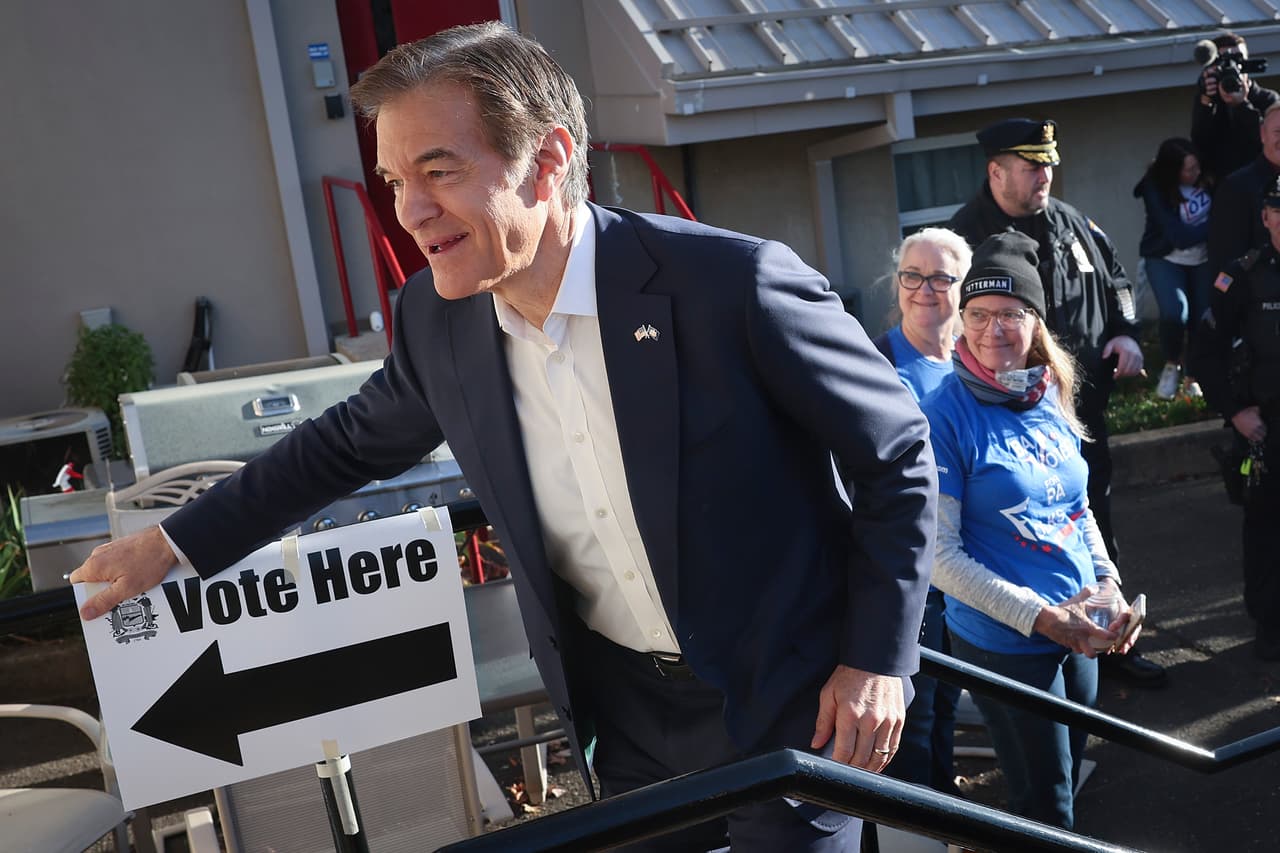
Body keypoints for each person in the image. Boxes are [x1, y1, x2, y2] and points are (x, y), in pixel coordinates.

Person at [70, 22, 937, 851]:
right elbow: (344, 444)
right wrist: (174, 544)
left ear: (550, 159)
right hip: (625, 716)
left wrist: (875, 661)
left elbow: (895, 454)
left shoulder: (733, 285)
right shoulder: (436, 319)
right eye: (394, 180)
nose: (409, 210)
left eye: (439, 171)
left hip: (791, 701)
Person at [921, 231, 1142, 830]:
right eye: (977, 315)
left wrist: (1106, 583)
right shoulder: (944, 413)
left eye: (1011, 314)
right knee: (1046, 807)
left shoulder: (1048, 391)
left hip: (1081, 631)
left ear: (1036, 322)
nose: (993, 330)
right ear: (961, 321)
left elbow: (1078, 507)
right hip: (1009, 643)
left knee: (1067, 779)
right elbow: (939, 557)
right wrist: (1040, 617)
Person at [947, 118, 1165, 686]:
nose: (1045, 174)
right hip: (994, 419)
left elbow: (1115, 275)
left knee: (1089, 511)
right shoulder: (965, 238)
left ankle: (1107, 636)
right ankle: (1046, 639)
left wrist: (1127, 330)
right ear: (996, 172)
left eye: (1048, 164)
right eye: (1031, 166)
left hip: (1071, 408)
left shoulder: (1069, 220)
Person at [871, 228, 970, 795]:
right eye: (913, 275)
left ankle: (947, 802)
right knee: (917, 712)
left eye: (941, 277)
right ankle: (920, 823)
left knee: (951, 700)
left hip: (967, 569)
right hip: (912, 573)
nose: (924, 289)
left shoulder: (974, 359)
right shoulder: (876, 361)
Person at [1195, 176, 1280, 661]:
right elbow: (1205, 353)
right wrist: (1234, 412)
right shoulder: (1242, 276)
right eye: (1278, 211)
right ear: (1266, 217)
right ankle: (1270, 627)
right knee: (1267, 532)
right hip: (1267, 429)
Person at [1133, 137, 1214, 399]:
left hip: (1202, 260)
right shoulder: (1154, 188)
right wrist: (1215, 226)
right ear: (1172, 171)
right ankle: (1171, 364)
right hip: (1165, 258)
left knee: (1201, 319)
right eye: (1189, 170)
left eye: (1196, 167)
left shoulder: (1209, 178)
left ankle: (1192, 377)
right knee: (1175, 313)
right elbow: (1178, 236)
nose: (1195, 173)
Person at [1191, 31, 1279, 186]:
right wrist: (1205, 101)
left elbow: (1267, 142)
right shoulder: (1210, 100)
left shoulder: (1268, 100)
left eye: (1239, 60)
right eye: (1224, 62)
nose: (1234, 67)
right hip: (1223, 188)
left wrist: (1241, 105)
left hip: (1262, 189)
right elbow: (1200, 142)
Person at [1207, 103, 1280, 276]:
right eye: (1278, 132)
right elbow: (1225, 262)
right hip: (1259, 296)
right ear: (1263, 134)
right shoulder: (1237, 187)